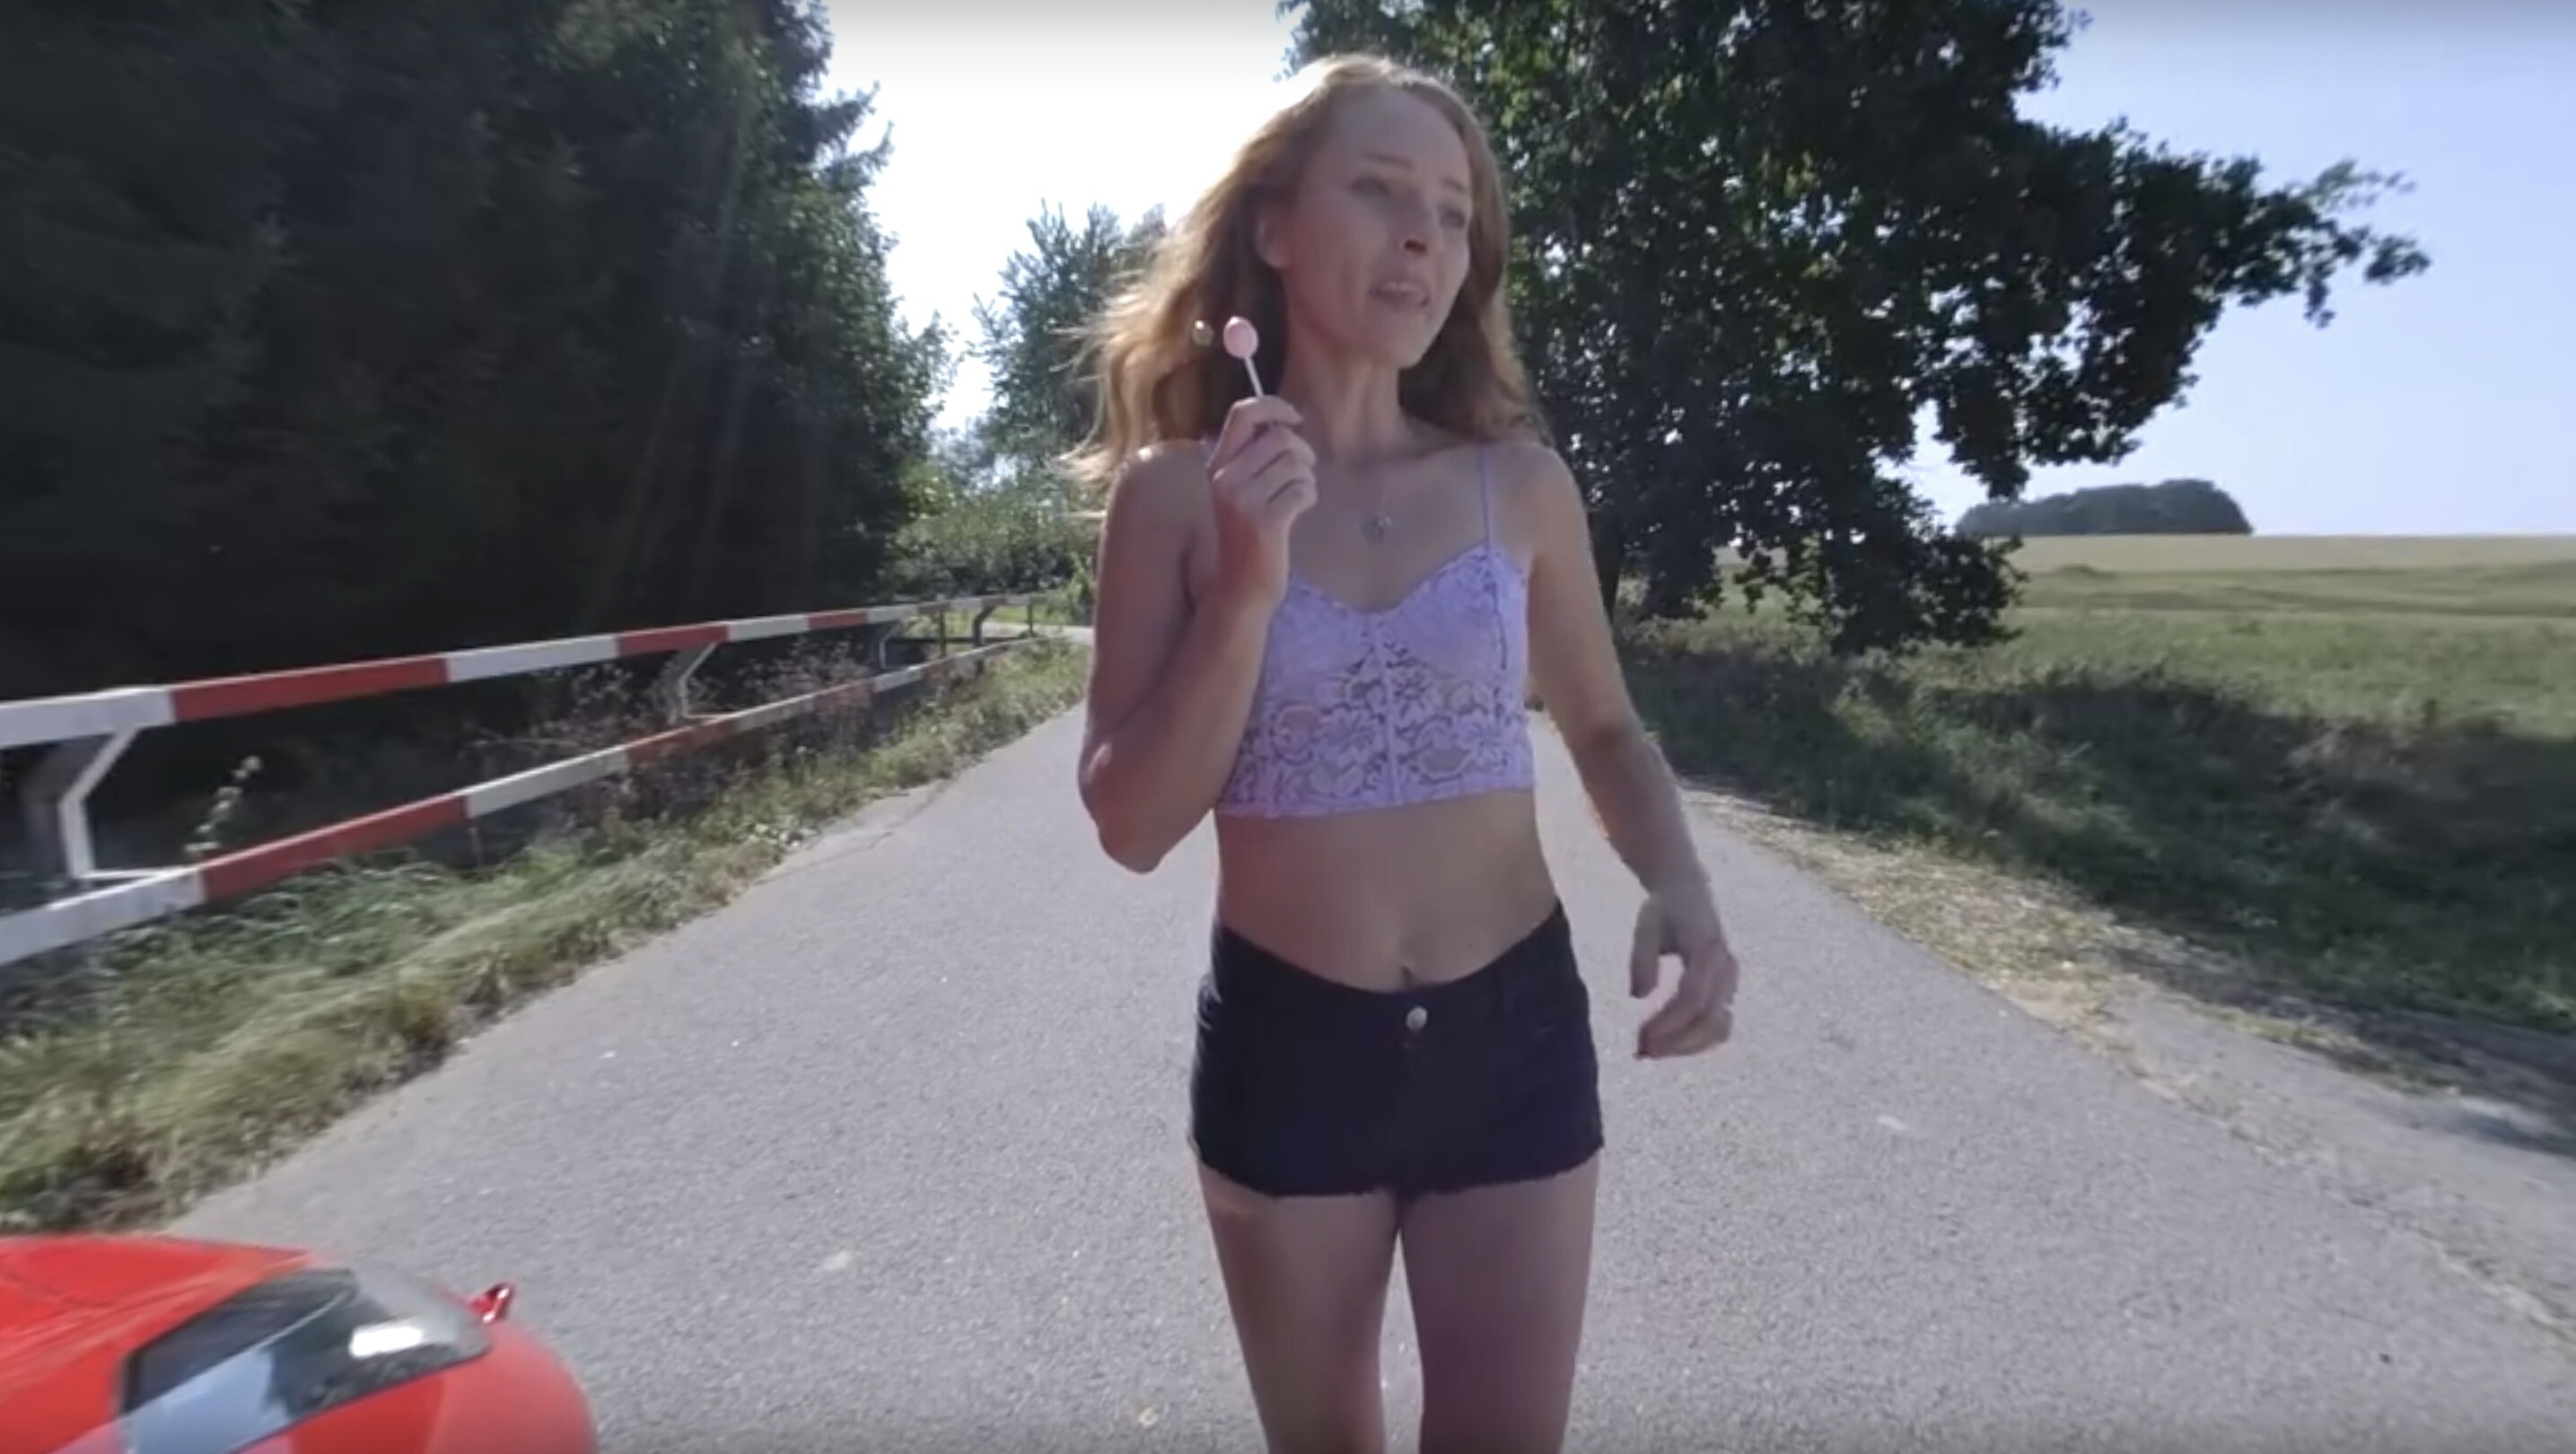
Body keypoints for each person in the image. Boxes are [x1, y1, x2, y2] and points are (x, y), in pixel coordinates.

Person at [1071, 51, 1743, 1454]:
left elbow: (1603, 725)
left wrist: (1681, 885)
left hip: (1513, 1034)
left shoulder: (1519, 484)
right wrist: (1246, 588)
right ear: (1272, 227)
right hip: (1289, 1047)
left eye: (1451, 210)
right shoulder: (1177, 498)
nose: (1425, 236)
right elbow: (1130, 824)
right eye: (1379, 191)